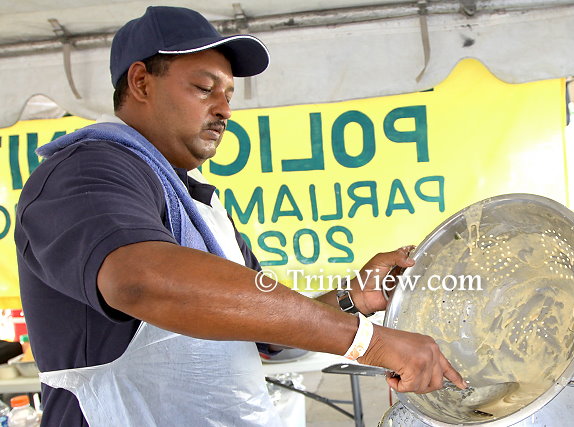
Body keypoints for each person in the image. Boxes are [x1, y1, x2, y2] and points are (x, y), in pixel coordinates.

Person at [14, 6, 464, 426]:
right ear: (141, 83)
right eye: (204, 88)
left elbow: (266, 332)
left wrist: (354, 298)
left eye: (228, 95)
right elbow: (142, 280)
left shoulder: (201, 206)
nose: (224, 110)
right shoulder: (87, 170)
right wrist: (370, 342)